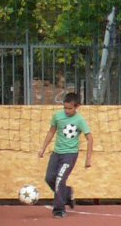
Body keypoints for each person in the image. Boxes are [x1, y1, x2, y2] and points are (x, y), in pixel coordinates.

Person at [35, 90, 93, 218]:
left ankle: (59, 209)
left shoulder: (80, 120)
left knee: (60, 179)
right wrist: (43, 148)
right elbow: (51, 132)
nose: (67, 111)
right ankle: (67, 193)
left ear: (77, 107)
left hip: (70, 154)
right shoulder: (57, 116)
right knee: (50, 178)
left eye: (70, 108)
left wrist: (88, 159)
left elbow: (90, 138)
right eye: (65, 108)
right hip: (57, 153)